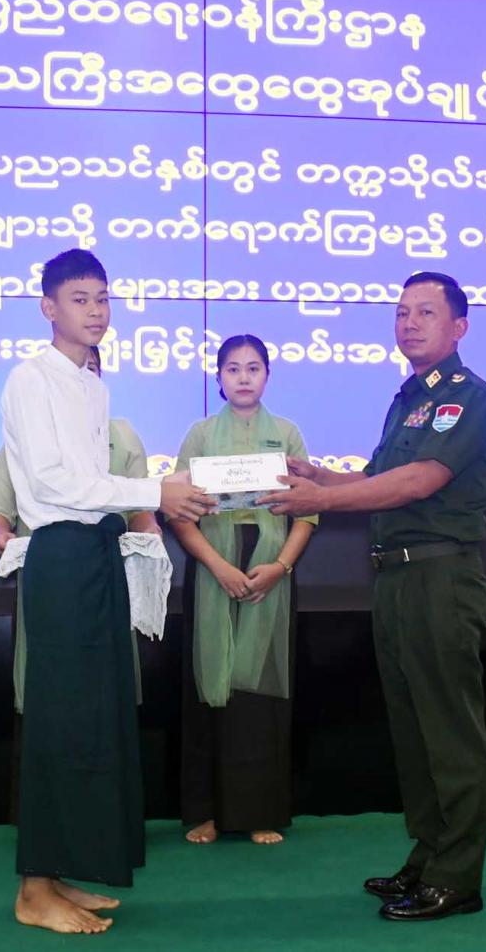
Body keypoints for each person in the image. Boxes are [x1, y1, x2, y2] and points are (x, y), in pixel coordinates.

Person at [261, 271, 486, 923]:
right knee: (414, 729)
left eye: (426, 312)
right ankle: (429, 855)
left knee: (449, 730)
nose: (409, 323)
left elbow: (419, 482)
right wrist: (319, 475)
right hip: (396, 579)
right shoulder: (408, 399)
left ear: (459, 326)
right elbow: (377, 479)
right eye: (401, 312)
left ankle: (458, 877)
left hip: (440, 578)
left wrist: (321, 498)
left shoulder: (467, 397)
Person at [0, 248, 215, 935]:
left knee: (93, 715)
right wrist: (154, 491)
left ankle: (57, 871)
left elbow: (93, 484)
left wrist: (148, 498)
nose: (96, 311)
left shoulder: (93, 384)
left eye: (103, 298)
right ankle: (32, 890)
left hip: (97, 552)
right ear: (48, 307)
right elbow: (56, 483)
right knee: (60, 717)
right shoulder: (31, 379)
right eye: (80, 299)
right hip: (61, 556)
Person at [168, 334, 315, 847]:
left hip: (270, 570)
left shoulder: (288, 434)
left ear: (267, 376)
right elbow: (180, 514)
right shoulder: (200, 434)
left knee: (259, 696)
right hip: (213, 570)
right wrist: (217, 567)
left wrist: (280, 566)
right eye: (233, 368)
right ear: (219, 378)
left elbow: (307, 512)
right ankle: (205, 812)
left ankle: (259, 810)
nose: (244, 377)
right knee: (210, 687)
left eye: (254, 368)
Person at [0, 345, 159, 717]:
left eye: (90, 371)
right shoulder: (30, 427)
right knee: (54, 686)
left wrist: (151, 530)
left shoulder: (123, 435)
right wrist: (2, 537)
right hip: (53, 567)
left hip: (106, 568)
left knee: (104, 690)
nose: (82, 379)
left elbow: (139, 509)